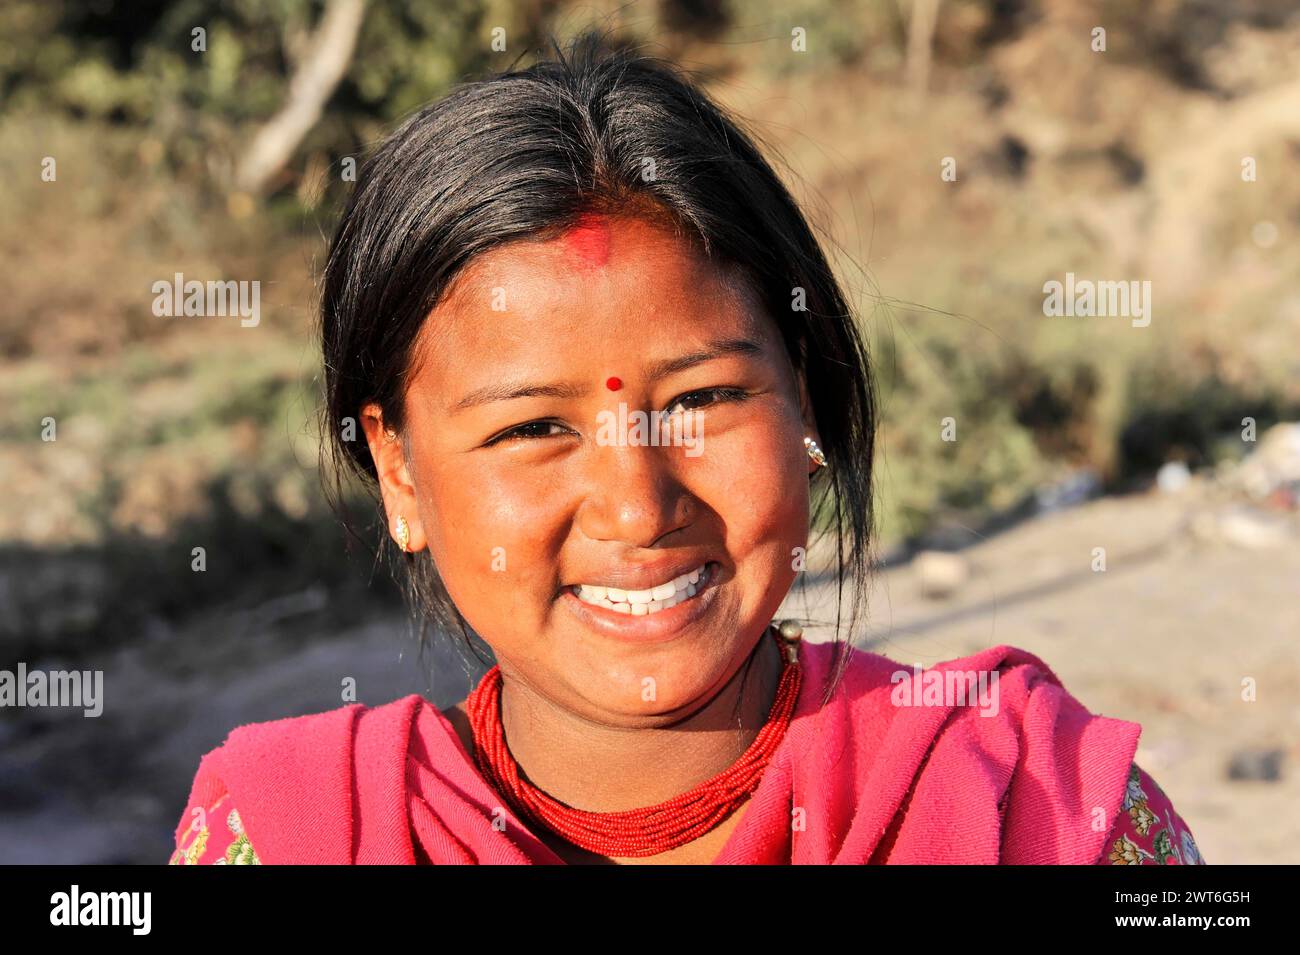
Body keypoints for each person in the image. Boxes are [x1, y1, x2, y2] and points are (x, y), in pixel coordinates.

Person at [169, 35, 1203, 866]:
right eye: (533, 427)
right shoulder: (283, 833)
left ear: (803, 403)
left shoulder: (1038, 813)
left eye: (703, 398)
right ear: (398, 472)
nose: (636, 503)